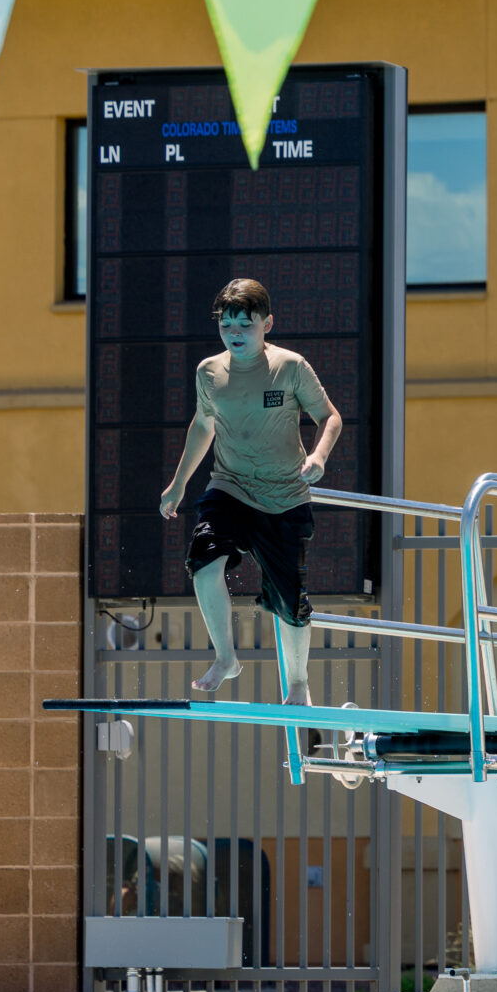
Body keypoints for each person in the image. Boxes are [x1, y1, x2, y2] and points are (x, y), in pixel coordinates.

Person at [157, 279, 342, 702]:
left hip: (284, 498)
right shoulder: (209, 372)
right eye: (226, 326)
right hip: (231, 486)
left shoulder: (290, 367)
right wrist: (178, 483)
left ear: (267, 324)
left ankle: (298, 683)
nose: (235, 334)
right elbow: (203, 425)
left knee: (289, 603)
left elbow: (329, 417)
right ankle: (226, 657)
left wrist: (319, 457)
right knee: (203, 559)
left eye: (245, 325)